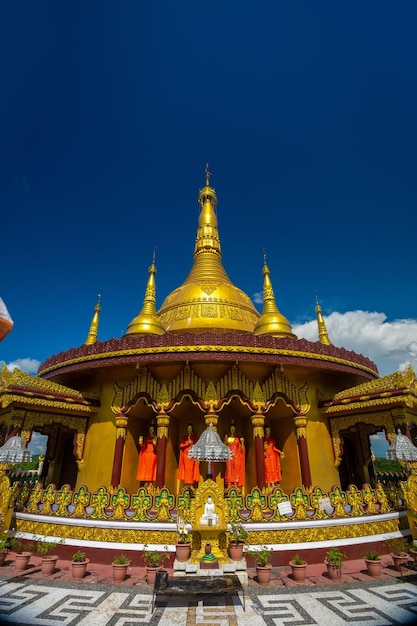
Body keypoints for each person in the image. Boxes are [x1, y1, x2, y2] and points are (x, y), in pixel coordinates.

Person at [224, 423, 245, 487]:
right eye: (231, 429)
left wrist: (242, 442)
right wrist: (225, 440)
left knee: (236, 469)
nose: (232, 430)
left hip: (236, 456)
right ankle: (229, 484)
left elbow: (242, 449)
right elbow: (224, 446)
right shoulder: (227, 437)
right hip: (229, 455)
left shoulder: (237, 439)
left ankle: (235, 484)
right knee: (229, 469)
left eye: (233, 429)